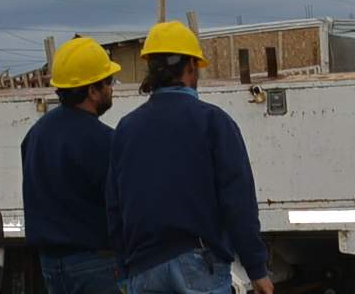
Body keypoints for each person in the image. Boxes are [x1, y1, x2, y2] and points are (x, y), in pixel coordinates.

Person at [106, 21, 272, 294]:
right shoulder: (214, 122)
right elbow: (238, 202)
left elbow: (115, 208)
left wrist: (124, 270)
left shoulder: (126, 129)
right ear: (191, 67)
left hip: (144, 268)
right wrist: (256, 269)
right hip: (198, 263)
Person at [22, 37, 123, 294]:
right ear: (91, 90)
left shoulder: (36, 134)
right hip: (96, 263)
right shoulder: (103, 140)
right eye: (108, 82)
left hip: (51, 265)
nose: (112, 88)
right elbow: (121, 205)